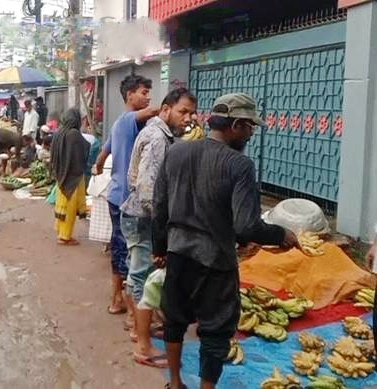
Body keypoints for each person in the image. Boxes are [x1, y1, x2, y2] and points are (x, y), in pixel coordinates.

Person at [153, 93, 299, 389]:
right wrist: (281, 234)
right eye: (249, 127)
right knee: (216, 331)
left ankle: (176, 383)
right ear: (237, 125)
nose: (251, 134)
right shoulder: (239, 165)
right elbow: (246, 226)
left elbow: (159, 206)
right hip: (215, 262)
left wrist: (159, 248)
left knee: (175, 320)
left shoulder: (178, 152)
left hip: (178, 252)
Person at [121, 88, 197, 368]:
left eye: (191, 112)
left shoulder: (162, 135)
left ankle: (136, 325)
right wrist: (162, 228)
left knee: (138, 272)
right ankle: (143, 346)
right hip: (144, 217)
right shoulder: (157, 138)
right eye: (183, 111)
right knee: (142, 276)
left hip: (137, 213)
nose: (188, 118)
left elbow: (135, 177)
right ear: (165, 109)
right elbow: (147, 188)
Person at [93, 75, 159, 318]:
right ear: (129, 95)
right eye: (143, 92)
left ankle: (120, 299)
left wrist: (99, 167)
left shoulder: (119, 124)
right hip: (125, 199)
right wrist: (168, 110)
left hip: (119, 194)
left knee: (125, 249)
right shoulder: (129, 119)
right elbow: (148, 113)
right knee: (128, 252)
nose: (147, 97)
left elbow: (104, 152)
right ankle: (127, 307)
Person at [51, 108, 89, 245]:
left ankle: (60, 231)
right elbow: (84, 149)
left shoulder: (59, 132)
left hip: (61, 174)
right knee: (70, 208)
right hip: (72, 176)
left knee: (62, 206)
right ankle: (65, 236)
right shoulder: (74, 134)